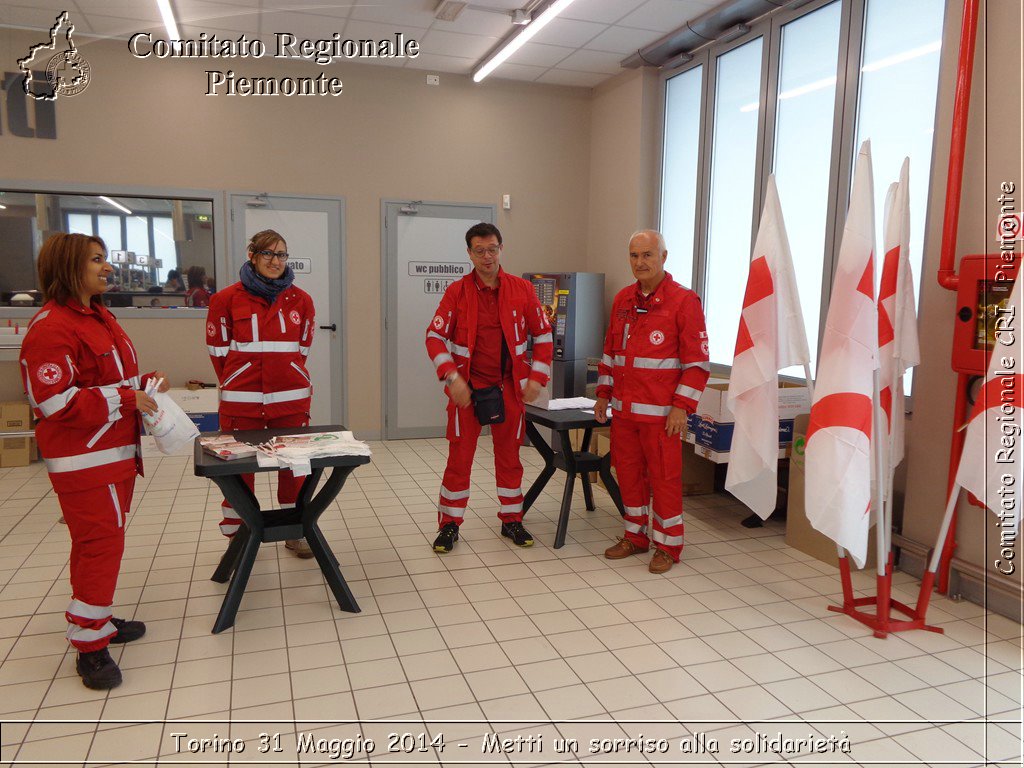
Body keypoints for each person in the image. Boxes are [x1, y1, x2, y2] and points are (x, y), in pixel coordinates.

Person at [19, 233, 170, 689]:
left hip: (113, 458)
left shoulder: (98, 316)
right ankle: (90, 647)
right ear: (69, 267)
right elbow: (54, 403)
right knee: (98, 547)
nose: (107, 268)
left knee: (104, 544)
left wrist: (143, 382)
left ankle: (99, 620)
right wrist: (127, 397)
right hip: (85, 464)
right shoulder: (52, 327)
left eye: (105, 259)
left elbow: (105, 379)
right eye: (96, 260)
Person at [424, 223, 554, 553]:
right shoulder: (457, 292)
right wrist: (452, 378)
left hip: (509, 390)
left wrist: (537, 377)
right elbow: (434, 337)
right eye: (479, 250)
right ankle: (449, 525)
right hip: (467, 392)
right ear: (469, 253)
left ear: (501, 249)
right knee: (459, 460)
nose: (487, 256)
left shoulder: (522, 290)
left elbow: (543, 335)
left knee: (510, 458)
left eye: (492, 249)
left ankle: (512, 519)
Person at [594, 230, 710, 574]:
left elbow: (697, 365)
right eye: (634, 256)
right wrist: (603, 394)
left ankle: (668, 545)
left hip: (662, 417)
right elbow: (610, 353)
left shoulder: (684, 301)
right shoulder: (622, 300)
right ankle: (635, 536)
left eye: (647, 255)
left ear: (663, 256)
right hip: (625, 412)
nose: (640, 262)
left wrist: (681, 407)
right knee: (628, 475)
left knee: (664, 480)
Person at [205, 230, 316, 558]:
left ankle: (296, 532)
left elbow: (302, 351)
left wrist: (282, 377)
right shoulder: (225, 299)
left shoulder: (302, 300)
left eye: (281, 254)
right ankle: (238, 540)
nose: (275, 261)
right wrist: (242, 380)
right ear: (252, 256)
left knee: (294, 469)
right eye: (268, 254)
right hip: (242, 404)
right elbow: (218, 355)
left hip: (291, 402)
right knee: (239, 474)